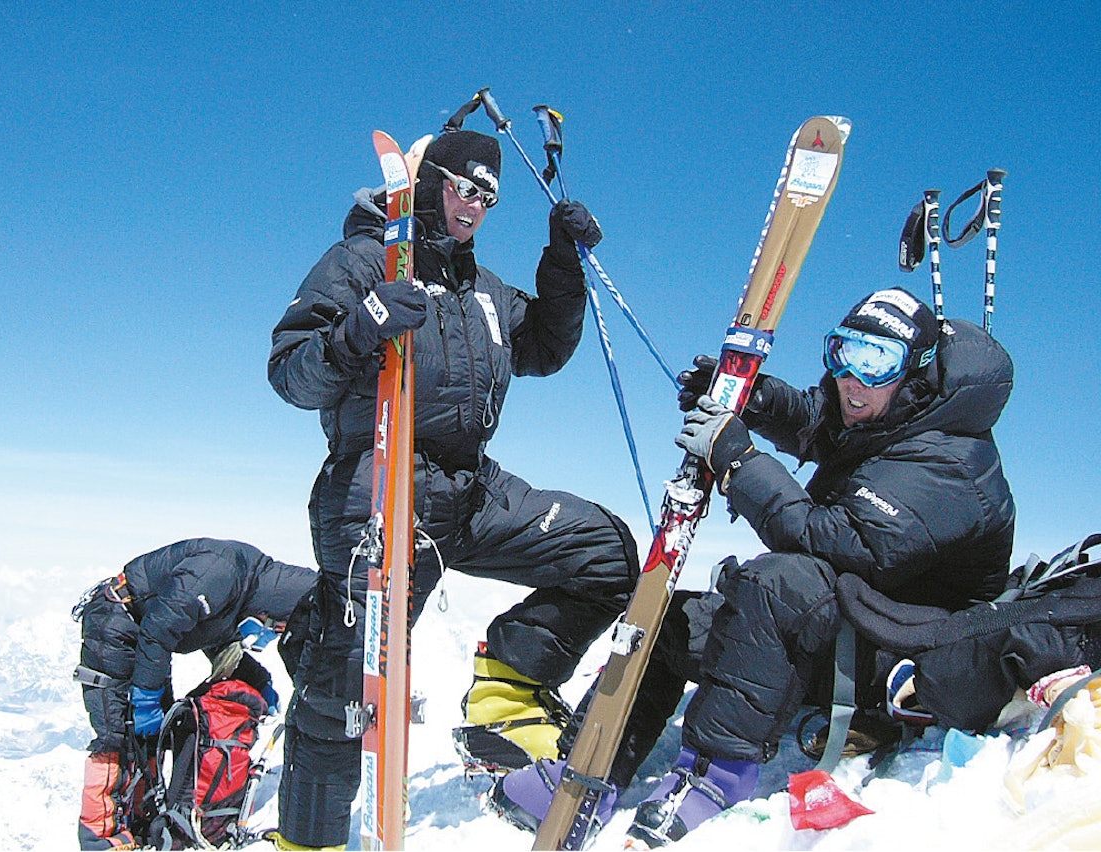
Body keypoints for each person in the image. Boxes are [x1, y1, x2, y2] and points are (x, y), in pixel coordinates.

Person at [494, 287, 1017, 847]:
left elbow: (839, 542)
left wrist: (737, 459)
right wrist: (750, 398)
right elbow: (819, 422)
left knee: (780, 580)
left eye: (875, 362)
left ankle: (716, 778)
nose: (851, 378)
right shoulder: (889, 414)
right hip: (843, 624)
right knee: (671, 622)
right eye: (843, 353)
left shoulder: (952, 463)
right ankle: (589, 771)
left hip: (902, 651)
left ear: (915, 372)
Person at [267, 127, 639, 849]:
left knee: (607, 553)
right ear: (430, 182)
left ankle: (505, 692)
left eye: (490, 198)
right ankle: (305, 841)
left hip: (469, 493)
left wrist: (564, 262)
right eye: (467, 188)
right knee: (347, 686)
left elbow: (545, 350)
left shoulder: (484, 290)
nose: (476, 207)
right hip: (376, 490)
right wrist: (360, 329)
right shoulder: (362, 261)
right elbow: (289, 372)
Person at [72, 538, 316, 850]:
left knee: (148, 740)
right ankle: (101, 841)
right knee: (116, 737)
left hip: (144, 638)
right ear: (276, 606)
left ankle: (139, 831)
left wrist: (259, 681)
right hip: (115, 624)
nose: (270, 633)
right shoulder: (222, 573)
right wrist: (146, 697)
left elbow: (212, 637)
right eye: (276, 626)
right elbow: (159, 628)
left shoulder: (243, 593)